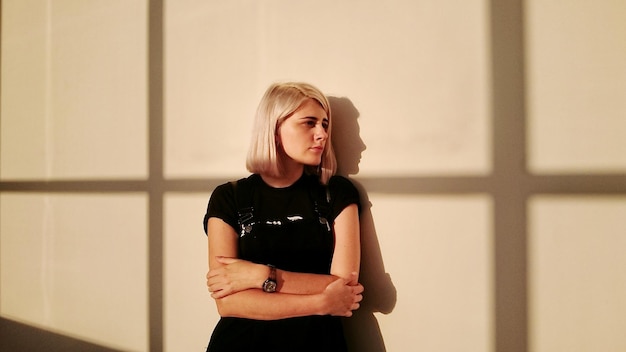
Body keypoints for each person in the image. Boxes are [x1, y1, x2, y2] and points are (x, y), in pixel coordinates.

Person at [202, 82, 364, 352]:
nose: (322, 134)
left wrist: (261, 276)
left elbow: (345, 289)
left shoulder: (335, 193)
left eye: (324, 124)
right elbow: (228, 303)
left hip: (317, 345)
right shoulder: (229, 197)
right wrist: (320, 302)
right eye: (309, 123)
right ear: (274, 129)